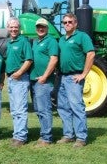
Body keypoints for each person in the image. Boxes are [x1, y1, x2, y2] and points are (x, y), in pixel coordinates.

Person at [56, 13, 95, 148]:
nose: (67, 24)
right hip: (61, 77)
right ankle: (68, 135)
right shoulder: (61, 39)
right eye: (65, 22)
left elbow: (91, 54)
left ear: (76, 23)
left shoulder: (82, 36)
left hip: (74, 78)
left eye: (70, 22)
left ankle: (81, 137)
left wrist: (83, 74)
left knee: (76, 107)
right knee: (63, 107)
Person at [29, 18, 59, 147]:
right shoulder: (35, 42)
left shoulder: (51, 41)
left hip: (43, 81)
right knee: (38, 109)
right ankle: (43, 134)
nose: (40, 29)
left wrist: (45, 76)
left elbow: (54, 59)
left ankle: (47, 138)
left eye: (43, 27)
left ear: (47, 28)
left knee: (44, 109)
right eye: (38, 27)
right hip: (34, 81)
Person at [5, 17, 33, 147]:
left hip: (20, 79)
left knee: (20, 109)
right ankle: (17, 134)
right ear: (8, 28)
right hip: (11, 79)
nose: (13, 29)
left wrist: (20, 72)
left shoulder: (23, 41)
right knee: (14, 109)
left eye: (15, 27)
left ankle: (21, 137)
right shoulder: (10, 43)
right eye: (11, 27)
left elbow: (29, 60)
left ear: (19, 28)